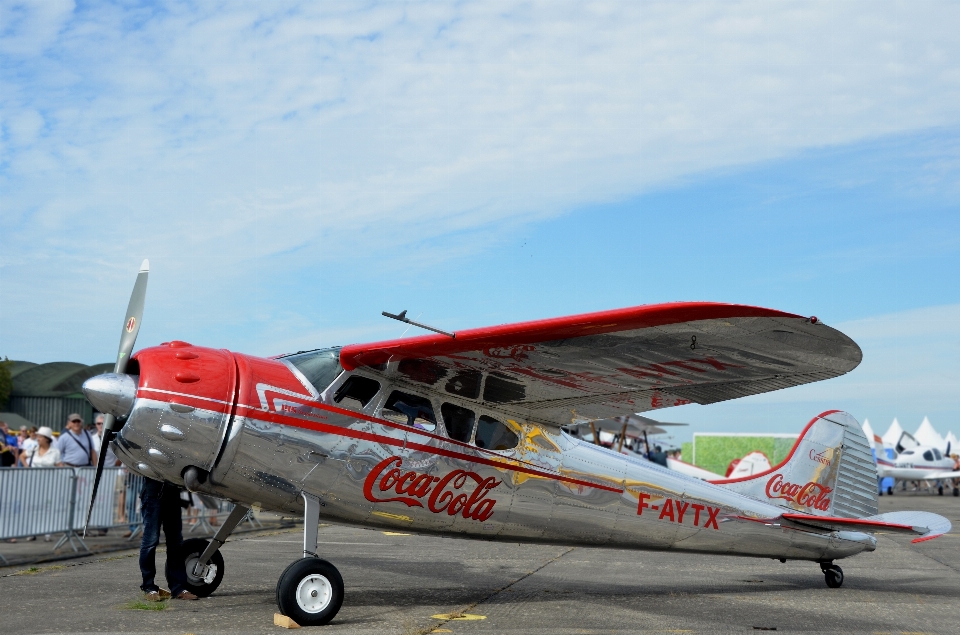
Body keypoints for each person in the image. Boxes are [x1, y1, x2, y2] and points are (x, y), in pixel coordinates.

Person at [139, 478, 198, 601]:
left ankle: (178, 587)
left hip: (173, 494)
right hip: (152, 494)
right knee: (150, 542)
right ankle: (149, 587)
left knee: (175, 542)